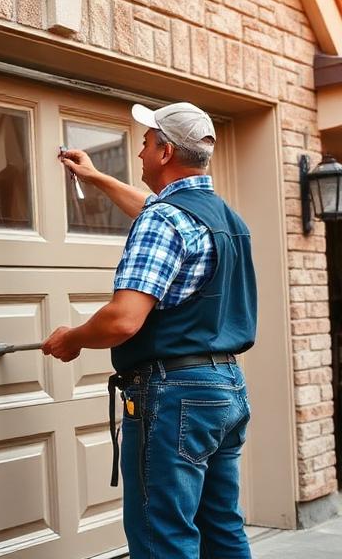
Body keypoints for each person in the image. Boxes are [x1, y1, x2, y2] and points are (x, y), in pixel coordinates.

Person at [42, 102, 257, 559]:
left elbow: (123, 319)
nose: (138, 153)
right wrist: (96, 178)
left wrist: (73, 337)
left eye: (144, 143)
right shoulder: (226, 220)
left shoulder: (165, 220)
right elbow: (157, 211)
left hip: (174, 394)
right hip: (225, 390)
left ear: (164, 153)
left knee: (163, 537)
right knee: (222, 528)